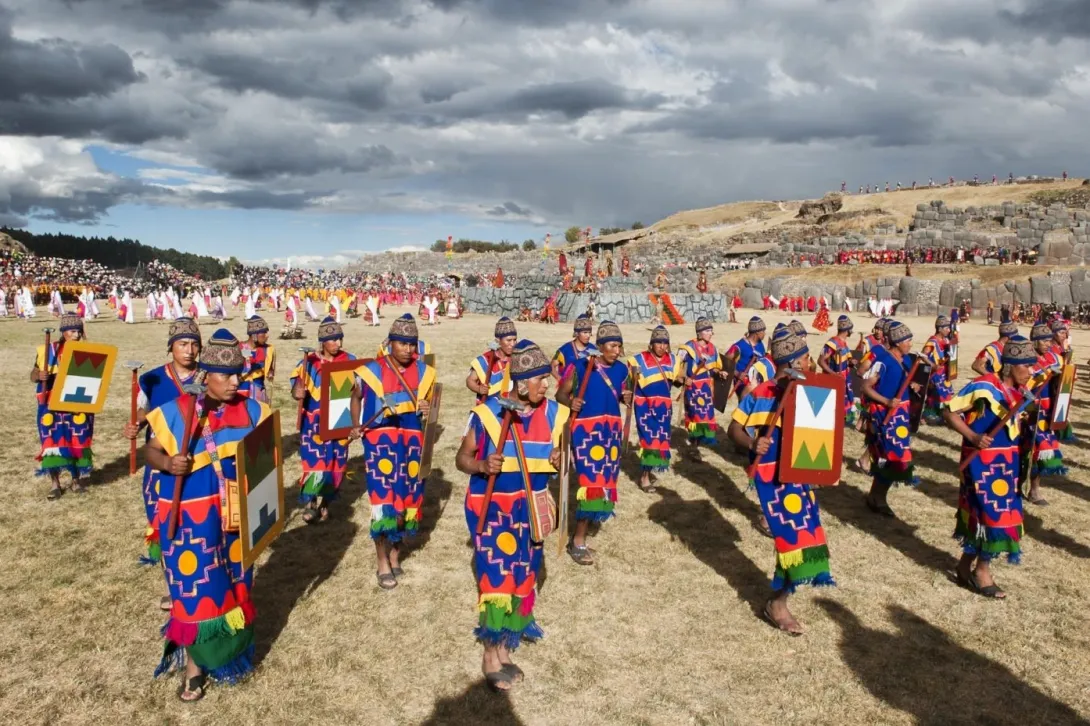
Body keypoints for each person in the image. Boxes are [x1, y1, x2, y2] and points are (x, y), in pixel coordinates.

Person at [144, 329, 270, 702]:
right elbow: (152, 451)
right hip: (193, 518)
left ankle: (231, 654)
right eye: (224, 376)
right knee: (197, 590)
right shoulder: (179, 412)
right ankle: (194, 668)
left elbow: (266, 463)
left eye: (238, 376)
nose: (233, 383)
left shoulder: (253, 410)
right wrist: (168, 461)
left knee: (234, 582)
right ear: (205, 377)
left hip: (235, 514)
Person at [455, 340, 567, 692]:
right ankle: (490, 656)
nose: (546, 386)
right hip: (494, 512)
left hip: (530, 512)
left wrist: (559, 460)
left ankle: (506, 646)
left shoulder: (553, 414)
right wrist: (482, 465)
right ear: (521, 385)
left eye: (546, 379)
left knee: (524, 579)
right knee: (497, 581)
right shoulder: (489, 414)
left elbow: (565, 460)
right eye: (540, 380)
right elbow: (462, 459)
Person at [728, 331, 834, 635]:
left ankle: (781, 598)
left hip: (798, 476)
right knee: (793, 539)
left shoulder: (809, 392)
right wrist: (752, 443)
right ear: (789, 364)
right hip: (771, 478)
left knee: (808, 539)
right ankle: (778, 603)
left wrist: (819, 469)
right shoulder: (761, 394)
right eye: (804, 359)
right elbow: (734, 429)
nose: (810, 362)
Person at [943, 336, 1035, 600]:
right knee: (993, 517)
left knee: (988, 517)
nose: (1030, 372)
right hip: (981, 464)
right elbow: (949, 411)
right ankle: (982, 571)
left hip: (1007, 466)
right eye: (1025, 366)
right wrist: (972, 436)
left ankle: (964, 566)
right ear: (1010, 367)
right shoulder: (984, 387)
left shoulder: (1020, 393)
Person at [349, 314, 435, 590]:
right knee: (384, 501)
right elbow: (355, 397)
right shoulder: (371, 371)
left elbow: (431, 412)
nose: (408, 349)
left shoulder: (425, 373)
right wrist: (355, 425)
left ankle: (396, 552)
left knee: (408, 499)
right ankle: (381, 560)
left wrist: (427, 409)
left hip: (411, 443)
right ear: (390, 343)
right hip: (380, 444)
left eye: (413, 344)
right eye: (403, 344)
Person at [123, 317, 202, 597]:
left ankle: (189, 580)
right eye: (182, 344)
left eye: (194, 344)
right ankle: (173, 582)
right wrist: (136, 424)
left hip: (197, 464)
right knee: (164, 522)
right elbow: (142, 411)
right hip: (159, 464)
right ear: (171, 347)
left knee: (193, 524)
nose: (189, 350)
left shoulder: (207, 378)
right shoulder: (153, 379)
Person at [556, 321, 631, 565]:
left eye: (619, 346)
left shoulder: (621, 370)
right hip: (587, 433)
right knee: (590, 484)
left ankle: (586, 526)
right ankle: (577, 541)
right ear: (599, 346)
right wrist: (571, 402)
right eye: (612, 346)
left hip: (611, 433)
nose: (616, 351)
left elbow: (617, 393)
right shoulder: (580, 367)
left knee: (605, 481)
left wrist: (625, 396)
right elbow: (560, 394)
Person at [291, 317, 355, 524]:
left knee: (336, 462)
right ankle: (310, 501)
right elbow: (295, 387)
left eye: (339, 339)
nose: (337, 343)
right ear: (322, 342)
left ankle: (326, 502)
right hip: (314, 422)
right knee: (314, 461)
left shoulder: (350, 360)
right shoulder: (309, 363)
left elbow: (361, 391)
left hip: (339, 420)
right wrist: (297, 391)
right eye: (333, 340)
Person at [32, 313, 95, 499]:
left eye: (78, 331)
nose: (76, 335)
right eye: (72, 331)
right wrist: (39, 376)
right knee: (53, 442)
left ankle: (76, 481)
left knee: (76, 440)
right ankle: (55, 484)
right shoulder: (48, 351)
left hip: (76, 404)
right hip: (51, 405)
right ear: (64, 332)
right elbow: (33, 373)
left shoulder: (86, 352)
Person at [861, 321, 919, 517]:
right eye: (908, 340)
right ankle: (877, 497)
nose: (911, 344)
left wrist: (914, 386)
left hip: (899, 416)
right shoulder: (883, 361)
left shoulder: (906, 361)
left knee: (892, 459)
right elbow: (866, 387)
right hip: (884, 415)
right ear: (898, 342)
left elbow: (904, 381)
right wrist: (886, 401)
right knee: (890, 457)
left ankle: (876, 496)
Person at [627, 326, 677, 492]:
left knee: (661, 439)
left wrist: (686, 379)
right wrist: (633, 375)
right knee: (649, 440)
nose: (662, 346)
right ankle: (645, 477)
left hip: (664, 408)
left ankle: (648, 471)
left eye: (665, 343)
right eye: (658, 343)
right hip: (645, 407)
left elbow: (677, 379)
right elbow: (628, 378)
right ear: (651, 344)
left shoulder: (673, 360)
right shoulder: (640, 359)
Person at [1022, 323, 1066, 505]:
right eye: (1044, 341)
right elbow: (1020, 385)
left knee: (1043, 452)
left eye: (1050, 340)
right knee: (1023, 451)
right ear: (1035, 341)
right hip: (1029, 410)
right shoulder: (1026, 359)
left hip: (1048, 411)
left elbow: (1063, 384)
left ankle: (1034, 490)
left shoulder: (1055, 358)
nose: (1048, 344)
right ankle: (1017, 487)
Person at [676, 318, 730, 459]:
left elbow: (712, 369)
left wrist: (719, 372)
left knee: (705, 417)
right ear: (699, 333)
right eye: (707, 331)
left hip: (706, 388)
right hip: (693, 388)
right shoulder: (688, 348)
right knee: (695, 417)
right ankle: (693, 446)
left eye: (711, 330)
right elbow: (676, 366)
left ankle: (697, 443)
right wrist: (682, 378)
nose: (711, 333)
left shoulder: (712, 349)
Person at [818, 315, 858, 426]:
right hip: (835, 378)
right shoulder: (832, 344)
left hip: (845, 376)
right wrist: (833, 374)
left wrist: (851, 362)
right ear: (847, 330)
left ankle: (846, 420)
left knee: (846, 398)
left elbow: (846, 359)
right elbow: (820, 361)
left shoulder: (843, 342)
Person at [467, 317, 517, 404]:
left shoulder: (517, 358)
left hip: (509, 409)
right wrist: (479, 389)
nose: (512, 344)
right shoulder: (485, 360)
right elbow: (470, 380)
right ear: (498, 341)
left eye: (515, 339)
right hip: (487, 409)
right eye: (508, 340)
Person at [725, 317, 767, 402]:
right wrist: (737, 373)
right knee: (744, 408)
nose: (764, 334)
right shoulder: (739, 346)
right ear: (757, 333)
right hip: (743, 383)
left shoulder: (760, 344)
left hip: (757, 382)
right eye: (763, 331)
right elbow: (725, 361)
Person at [921, 316, 954, 424]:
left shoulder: (946, 340)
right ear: (939, 329)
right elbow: (923, 356)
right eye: (946, 328)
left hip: (945, 373)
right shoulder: (932, 341)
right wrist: (933, 365)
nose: (948, 330)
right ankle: (928, 416)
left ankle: (941, 415)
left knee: (946, 395)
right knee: (936, 395)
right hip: (935, 374)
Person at [551, 313, 597, 384]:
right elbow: (551, 366)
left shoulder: (593, 349)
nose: (588, 335)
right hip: (568, 392)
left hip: (588, 389)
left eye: (589, 332)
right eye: (585, 332)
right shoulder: (564, 349)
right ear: (577, 333)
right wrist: (560, 379)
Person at [238, 315, 275, 404]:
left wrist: (270, 373)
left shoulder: (268, 350)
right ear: (254, 334)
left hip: (259, 392)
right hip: (240, 393)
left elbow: (270, 371)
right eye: (264, 332)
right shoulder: (239, 348)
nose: (267, 335)